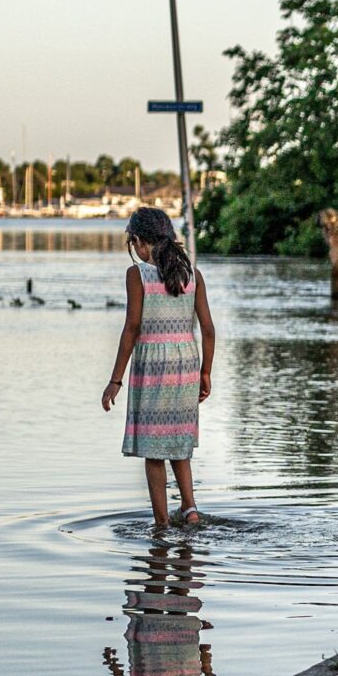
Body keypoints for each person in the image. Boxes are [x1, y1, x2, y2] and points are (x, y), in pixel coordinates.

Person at [100, 206, 215, 527]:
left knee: (154, 450)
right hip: (187, 363)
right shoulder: (192, 274)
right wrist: (205, 372)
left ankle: (162, 525)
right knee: (179, 443)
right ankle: (190, 510)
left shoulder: (137, 275)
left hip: (153, 366)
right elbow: (207, 328)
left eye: (133, 243)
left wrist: (115, 380)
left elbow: (132, 328)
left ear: (139, 241)